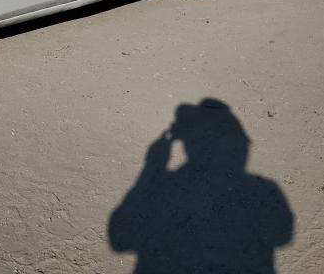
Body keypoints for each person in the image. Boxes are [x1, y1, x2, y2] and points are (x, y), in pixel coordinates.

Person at [109, 99, 293, 274]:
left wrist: (152, 168)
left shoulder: (165, 186)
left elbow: (120, 238)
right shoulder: (265, 190)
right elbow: (283, 234)